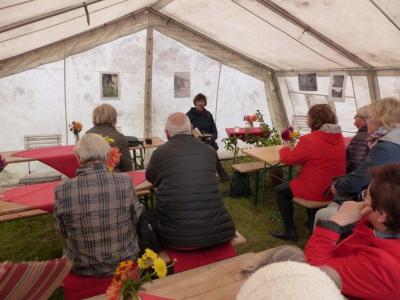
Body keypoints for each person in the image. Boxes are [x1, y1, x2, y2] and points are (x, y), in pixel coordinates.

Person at [305, 163, 400, 299]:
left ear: (382, 215)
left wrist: (335, 222)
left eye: (366, 196)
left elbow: (313, 271)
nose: (361, 200)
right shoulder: (382, 230)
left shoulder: (382, 266)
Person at [54, 133, 143, 276]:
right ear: (108, 156)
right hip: (124, 260)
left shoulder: (62, 189)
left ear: (77, 157)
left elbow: (61, 232)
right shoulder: (125, 181)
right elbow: (136, 217)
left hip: (81, 266)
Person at [145, 112, 236, 249]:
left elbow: (150, 178)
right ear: (192, 128)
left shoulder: (159, 153)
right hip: (219, 233)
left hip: (176, 238)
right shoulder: (209, 150)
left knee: (148, 213)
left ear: (166, 133)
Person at [315, 97, 400, 224]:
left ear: (379, 121)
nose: (367, 123)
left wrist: (337, 185)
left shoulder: (386, 147)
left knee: (323, 214)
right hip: (390, 199)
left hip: (388, 206)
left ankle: (328, 240)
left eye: (369, 119)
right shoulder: (393, 139)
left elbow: (360, 178)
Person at [271, 104, 345, 242]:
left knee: (281, 190)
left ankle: (289, 230)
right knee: (303, 181)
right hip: (334, 188)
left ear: (312, 120)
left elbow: (288, 159)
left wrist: (286, 145)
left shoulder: (309, 140)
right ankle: (311, 220)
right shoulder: (339, 137)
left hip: (316, 190)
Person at [186, 93, 229, 181]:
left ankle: (215, 174)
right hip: (195, 142)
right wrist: (194, 136)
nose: (200, 103)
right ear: (195, 102)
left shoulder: (208, 115)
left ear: (204, 103)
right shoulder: (189, 115)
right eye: (198, 101)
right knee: (211, 149)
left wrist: (212, 137)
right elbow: (185, 131)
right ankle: (221, 173)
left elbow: (215, 131)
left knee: (209, 146)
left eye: (202, 101)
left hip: (208, 140)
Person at [86, 103, 132, 172]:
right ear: (113, 118)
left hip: (89, 177)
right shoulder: (119, 137)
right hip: (114, 178)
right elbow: (127, 167)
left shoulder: (87, 135)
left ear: (94, 117)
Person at [346, 105, 369, 173]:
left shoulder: (360, 138)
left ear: (364, 120)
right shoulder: (374, 134)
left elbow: (355, 164)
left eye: (356, 116)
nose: (354, 118)